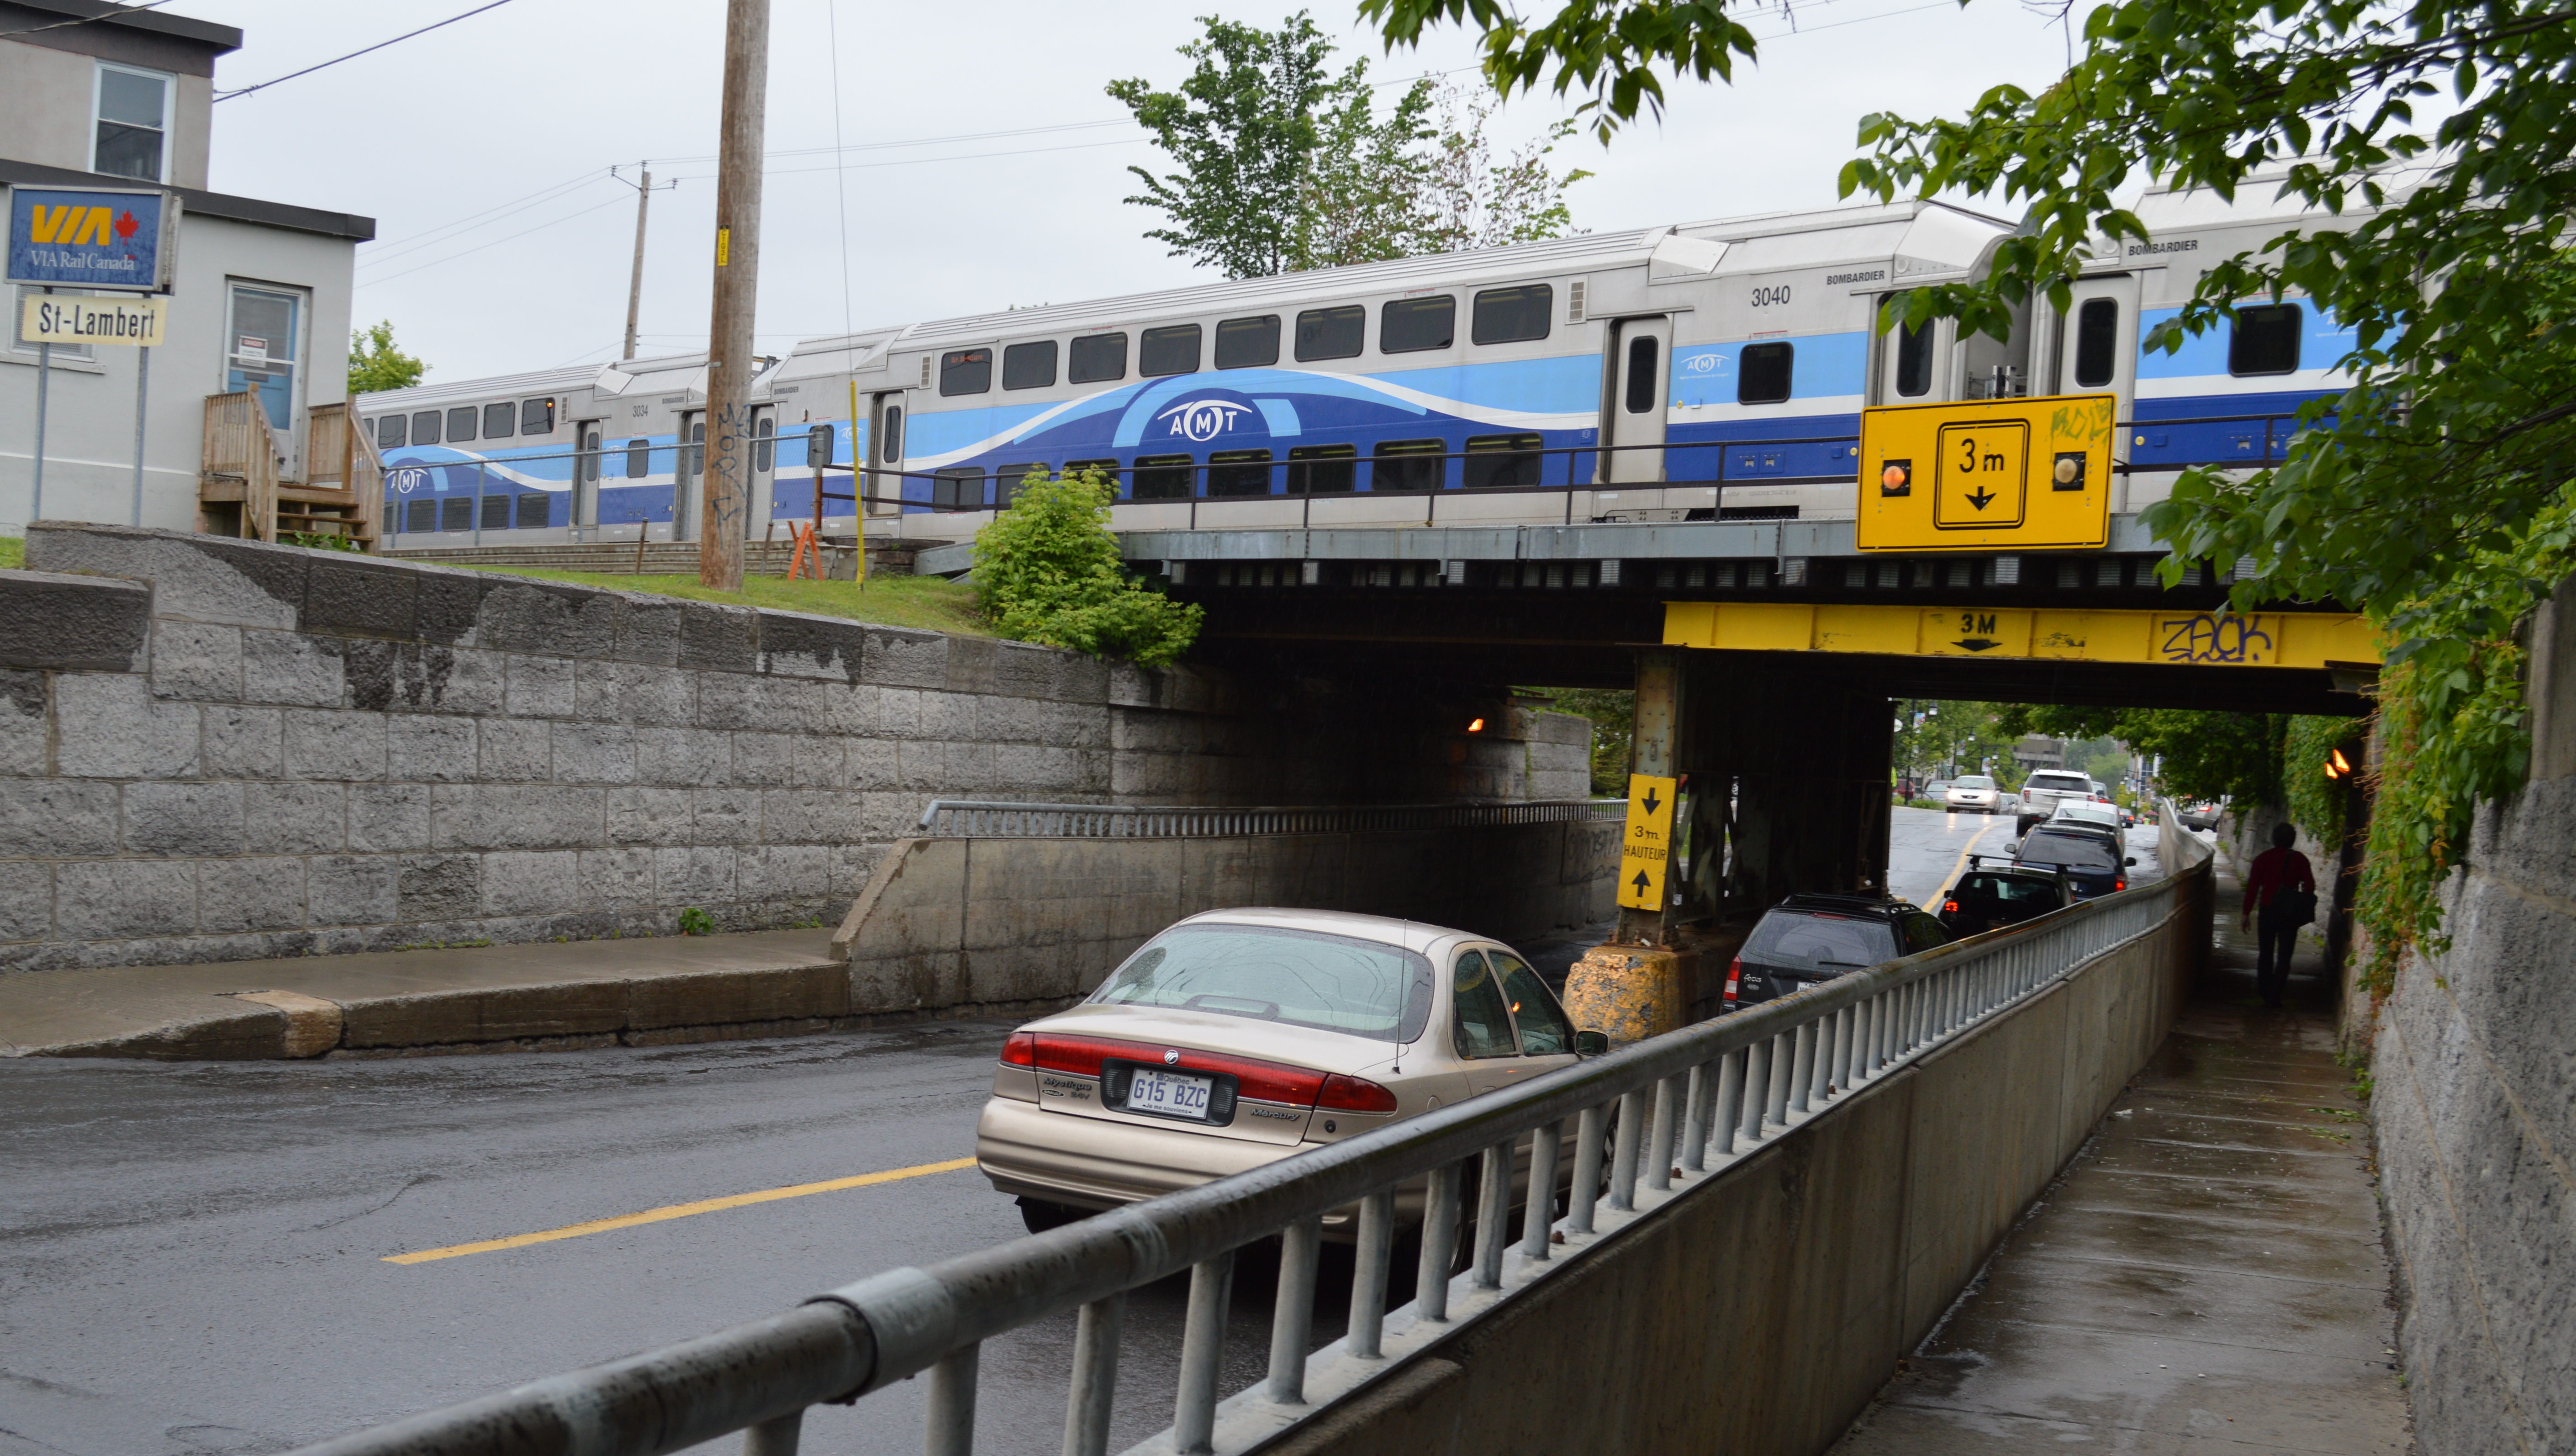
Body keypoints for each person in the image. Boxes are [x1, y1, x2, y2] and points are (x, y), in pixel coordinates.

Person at [2241, 822, 2316, 1008]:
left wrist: (2246, 913)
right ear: (2293, 840)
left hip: (2268, 910)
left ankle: (2264, 990)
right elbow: (2310, 886)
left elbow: (2252, 888)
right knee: (2285, 956)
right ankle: (2276, 993)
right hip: (2289, 912)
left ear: (2273, 839)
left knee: (2265, 953)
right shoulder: (2300, 860)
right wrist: (2298, 899)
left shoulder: (2262, 859)